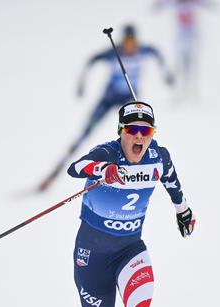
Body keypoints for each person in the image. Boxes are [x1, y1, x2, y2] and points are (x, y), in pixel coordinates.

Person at [67, 101, 195, 307]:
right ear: (121, 133)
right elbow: (76, 167)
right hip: (92, 256)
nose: (139, 138)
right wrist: (102, 170)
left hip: (130, 251)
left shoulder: (157, 157)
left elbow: (171, 179)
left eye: (146, 131)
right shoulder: (108, 153)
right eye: (132, 131)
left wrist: (183, 211)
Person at [38, 25, 173, 192]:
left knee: (138, 132)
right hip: (109, 98)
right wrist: (82, 84)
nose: (129, 46)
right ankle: (55, 173)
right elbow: (91, 61)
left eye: (132, 42)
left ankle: (135, 170)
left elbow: (158, 54)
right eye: (126, 42)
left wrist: (167, 74)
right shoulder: (113, 53)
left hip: (129, 101)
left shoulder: (144, 50)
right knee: (85, 133)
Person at [154, 0, 215, 100]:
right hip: (180, 37)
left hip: (192, 36)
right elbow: (164, 3)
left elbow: (204, 3)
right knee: (178, 65)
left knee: (193, 64)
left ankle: (193, 91)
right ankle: (177, 92)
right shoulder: (175, 2)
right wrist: (157, 6)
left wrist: (210, 6)